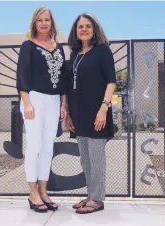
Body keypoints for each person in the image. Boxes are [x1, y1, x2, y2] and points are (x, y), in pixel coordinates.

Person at [16, 6, 68, 212]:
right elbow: (22, 77)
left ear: (52, 23)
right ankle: (33, 193)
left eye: (47, 20)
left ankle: (44, 192)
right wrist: (27, 103)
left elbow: (63, 79)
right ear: (34, 23)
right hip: (34, 99)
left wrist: (63, 104)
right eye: (40, 20)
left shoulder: (59, 48)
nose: (44, 23)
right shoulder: (28, 46)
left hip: (54, 100)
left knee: (47, 148)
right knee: (34, 147)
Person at [65, 13, 116, 214]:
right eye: (80, 27)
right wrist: (68, 114)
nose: (84, 29)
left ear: (94, 29)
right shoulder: (74, 54)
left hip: (97, 113)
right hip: (78, 114)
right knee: (85, 159)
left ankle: (97, 199)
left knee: (96, 158)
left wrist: (103, 108)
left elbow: (111, 81)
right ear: (75, 31)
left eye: (87, 26)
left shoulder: (102, 51)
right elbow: (70, 85)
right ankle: (90, 195)